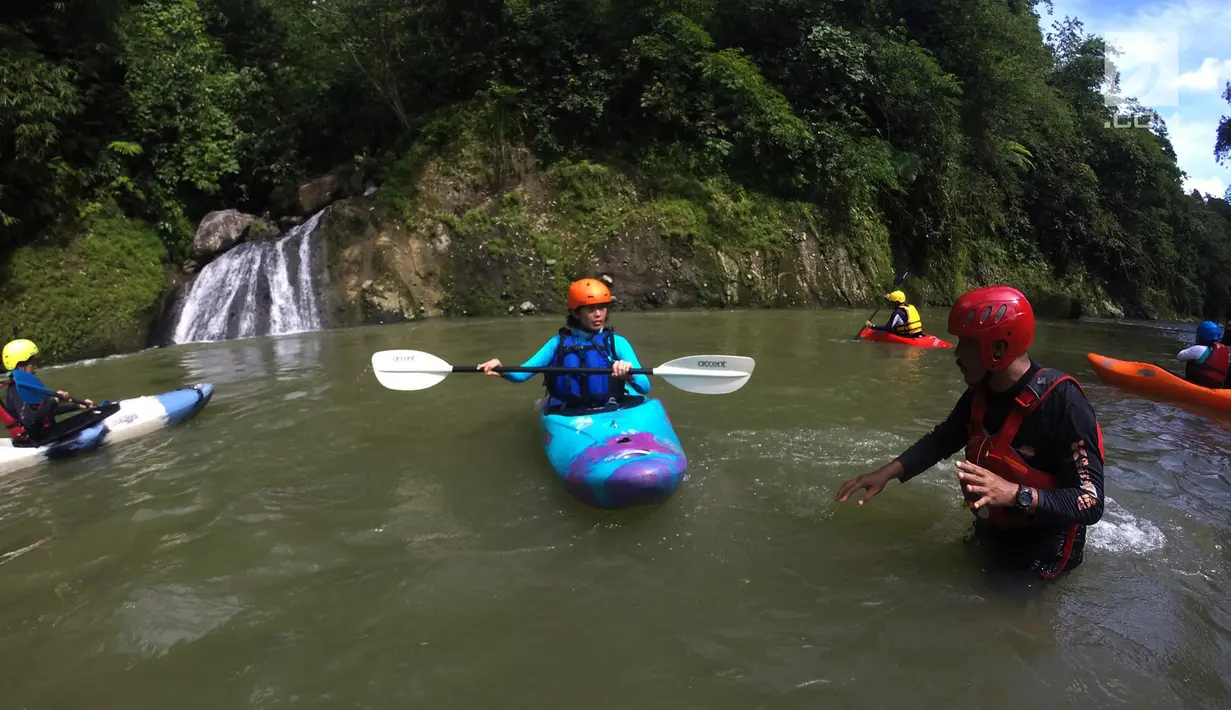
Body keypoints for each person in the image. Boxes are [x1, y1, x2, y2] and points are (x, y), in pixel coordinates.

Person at [836, 285, 1106, 583]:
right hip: (994, 527)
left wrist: (1015, 493)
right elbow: (943, 439)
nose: (957, 354)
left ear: (999, 349)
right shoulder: (979, 394)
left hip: (1045, 546)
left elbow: (1090, 501)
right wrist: (885, 473)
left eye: (967, 343)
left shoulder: (1064, 403)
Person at [476, 278, 651, 411]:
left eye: (602, 307)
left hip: (611, 408)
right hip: (569, 413)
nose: (598, 314)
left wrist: (629, 375)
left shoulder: (617, 343)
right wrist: (500, 369)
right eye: (590, 309)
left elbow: (645, 387)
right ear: (575, 313)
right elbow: (521, 375)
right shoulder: (557, 345)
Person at [2, 338, 94, 444]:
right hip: (34, 441)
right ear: (21, 365)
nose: (36, 366)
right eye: (33, 363)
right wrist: (53, 400)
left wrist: (77, 406)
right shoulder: (16, 388)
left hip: (44, 434)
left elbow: (46, 412)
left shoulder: (28, 384)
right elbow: (28, 421)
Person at [1176, 320, 1228, 389]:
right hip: (1217, 388)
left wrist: (1193, 347)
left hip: (1197, 386)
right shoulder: (1225, 350)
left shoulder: (1198, 349)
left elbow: (1179, 356)